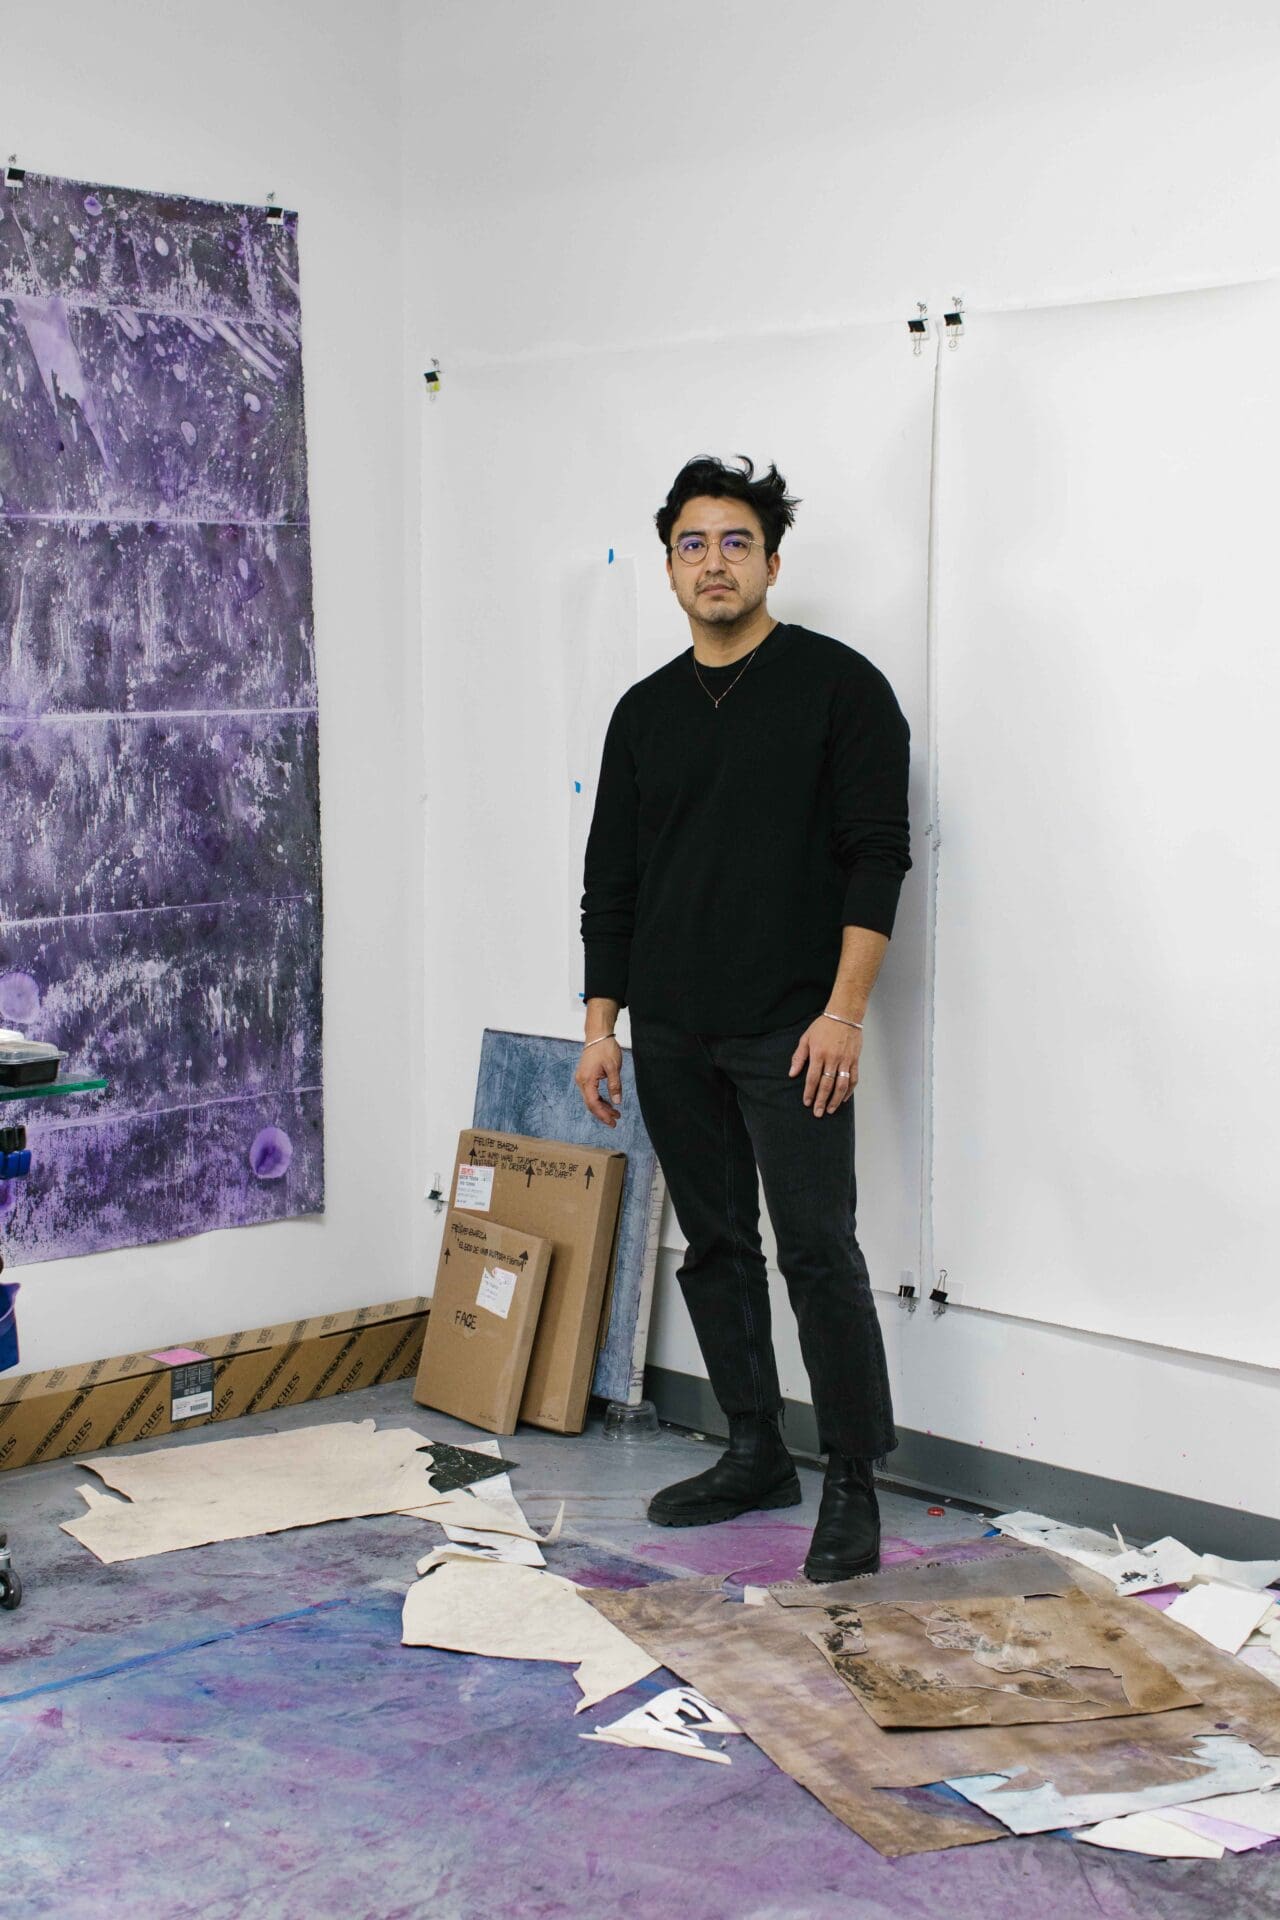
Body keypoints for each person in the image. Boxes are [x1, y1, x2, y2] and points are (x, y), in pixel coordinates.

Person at [574, 454, 911, 1583]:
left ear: (771, 561)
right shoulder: (643, 713)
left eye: (733, 542)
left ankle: (851, 1479)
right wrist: (598, 1025)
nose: (711, 562)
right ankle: (754, 1450)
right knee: (715, 1248)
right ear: (667, 566)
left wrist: (843, 1015)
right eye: (690, 544)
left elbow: (876, 861)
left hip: (791, 1029)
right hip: (671, 1029)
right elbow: (609, 881)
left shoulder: (838, 688)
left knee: (818, 1254)